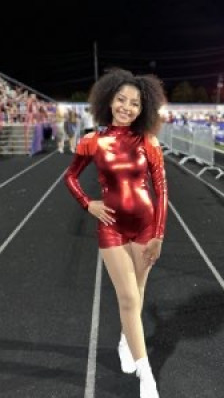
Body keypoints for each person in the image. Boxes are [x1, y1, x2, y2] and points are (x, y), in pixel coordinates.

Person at [64, 69, 167, 398]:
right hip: (111, 226)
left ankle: (126, 340)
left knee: (138, 293)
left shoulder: (148, 141)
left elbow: (162, 190)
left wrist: (159, 235)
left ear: (143, 108)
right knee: (128, 298)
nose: (127, 107)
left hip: (146, 226)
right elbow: (70, 177)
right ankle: (146, 375)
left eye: (135, 103)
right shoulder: (92, 141)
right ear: (108, 100)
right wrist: (87, 203)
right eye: (121, 99)